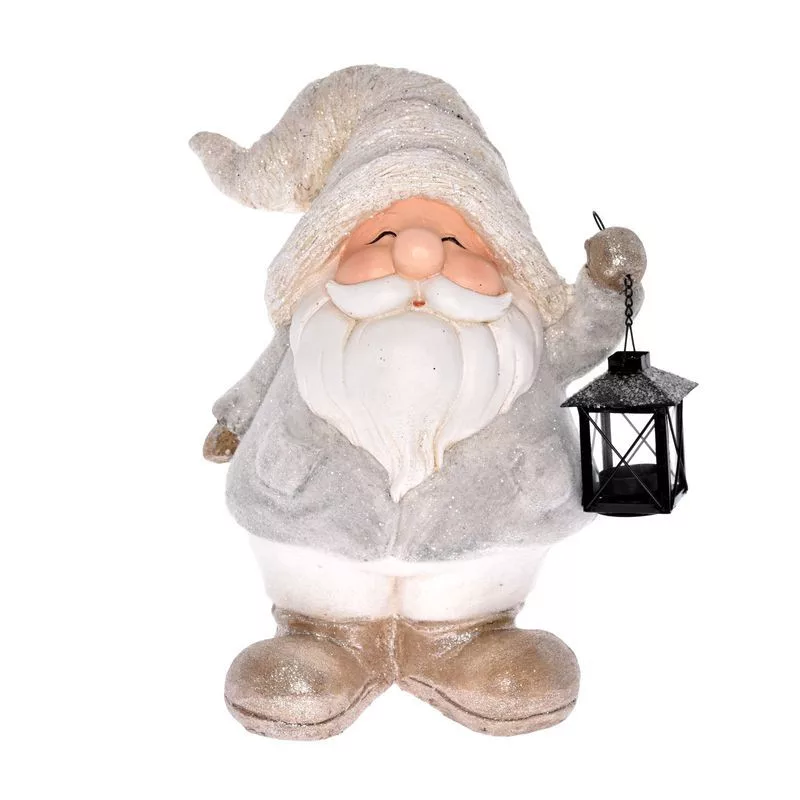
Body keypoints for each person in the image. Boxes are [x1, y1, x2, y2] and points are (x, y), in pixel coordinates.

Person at [191, 65, 646, 739]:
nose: (418, 256)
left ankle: (472, 640)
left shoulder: (522, 333)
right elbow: (263, 375)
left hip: (491, 535)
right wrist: (234, 418)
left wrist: (609, 286)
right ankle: (322, 637)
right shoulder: (312, 325)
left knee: (483, 621)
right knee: (317, 607)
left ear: (504, 256)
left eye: (455, 241)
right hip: (314, 522)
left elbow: (583, 337)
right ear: (330, 252)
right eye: (381, 238)